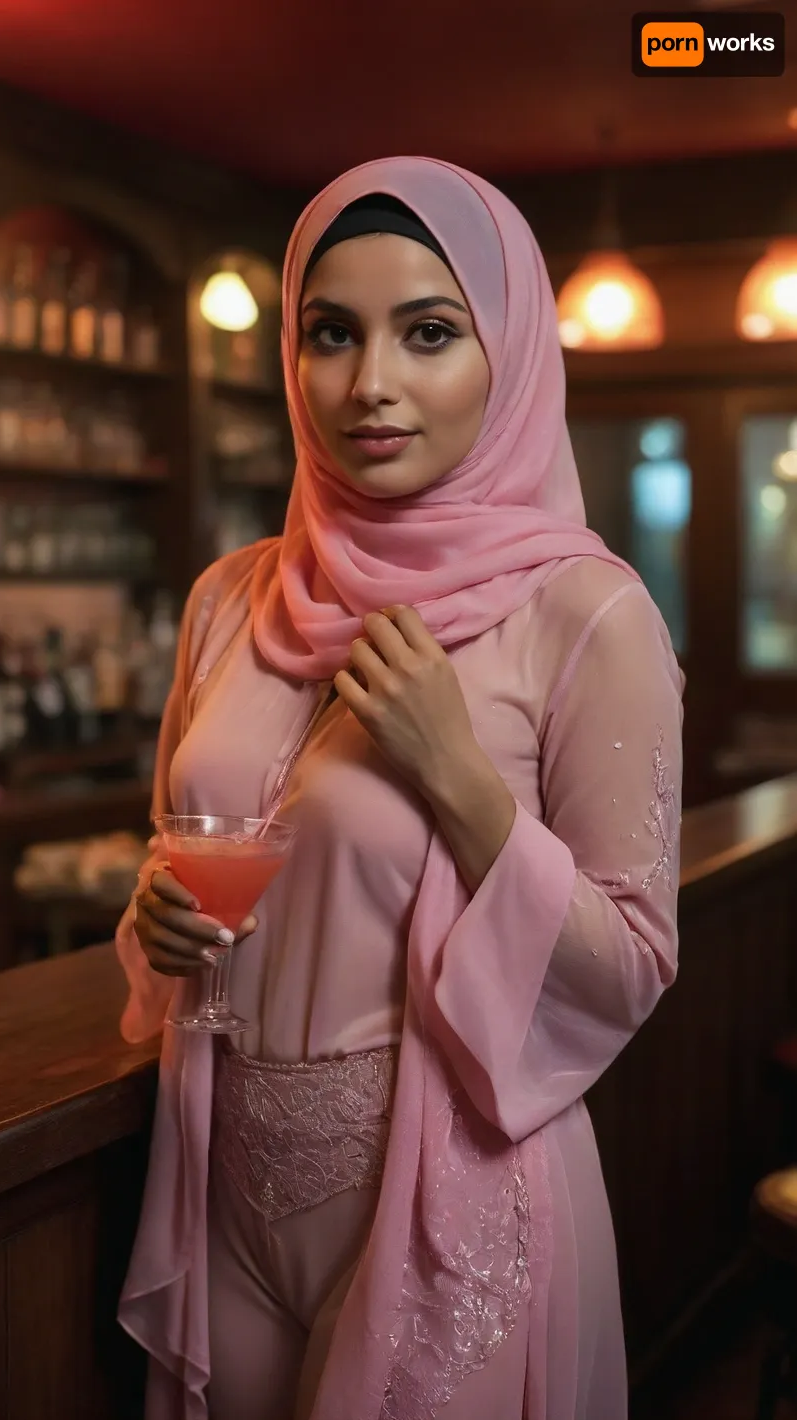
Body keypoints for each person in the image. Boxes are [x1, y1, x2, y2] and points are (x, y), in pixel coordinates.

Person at [113, 156, 683, 1420]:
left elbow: (633, 961)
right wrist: (155, 910)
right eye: (331, 334)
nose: (370, 384)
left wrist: (461, 780)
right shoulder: (231, 599)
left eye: (429, 332)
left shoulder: (587, 615)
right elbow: (182, 843)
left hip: (447, 1210)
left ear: (512, 355)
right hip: (222, 1188)